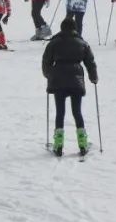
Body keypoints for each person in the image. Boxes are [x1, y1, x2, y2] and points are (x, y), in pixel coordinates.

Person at [42, 18, 98, 156]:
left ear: (61, 28)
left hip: (58, 80)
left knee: (60, 113)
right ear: (75, 28)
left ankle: (58, 145)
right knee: (77, 112)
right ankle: (83, 143)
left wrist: (49, 75)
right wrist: (93, 77)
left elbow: (46, 62)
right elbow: (90, 62)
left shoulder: (54, 43)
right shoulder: (82, 43)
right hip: (76, 79)